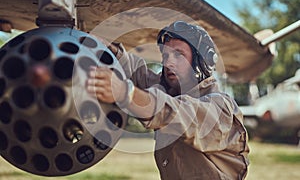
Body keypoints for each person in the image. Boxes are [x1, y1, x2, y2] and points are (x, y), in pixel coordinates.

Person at [86, 21, 249, 179]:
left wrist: (124, 92)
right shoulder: (172, 93)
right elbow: (139, 75)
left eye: (179, 55)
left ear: (202, 60)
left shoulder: (220, 107)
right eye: (165, 55)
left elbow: (174, 112)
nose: (168, 62)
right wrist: (108, 50)